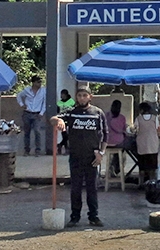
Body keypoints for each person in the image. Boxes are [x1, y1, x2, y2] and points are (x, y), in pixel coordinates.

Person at [51, 86, 108, 228]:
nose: (82, 98)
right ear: (76, 97)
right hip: (75, 156)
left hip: (92, 157)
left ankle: (93, 216)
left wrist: (101, 153)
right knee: (75, 188)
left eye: (84, 95)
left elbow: (105, 135)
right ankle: (75, 217)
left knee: (92, 188)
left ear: (90, 97)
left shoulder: (97, 113)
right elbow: (52, 118)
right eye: (79, 95)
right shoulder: (71, 113)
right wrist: (59, 121)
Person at [16, 75, 47, 156]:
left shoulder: (43, 91)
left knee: (37, 131)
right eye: (38, 82)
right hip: (27, 113)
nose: (39, 84)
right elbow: (19, 96)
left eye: (40, 82)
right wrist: (22, 104)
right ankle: (26, 150)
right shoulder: (27, 90)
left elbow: (45, 102)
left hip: (37, 114)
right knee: (27, 132)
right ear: (33, 83)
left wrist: (41, 113)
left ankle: (38, 150)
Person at [133, 102, 159, 187]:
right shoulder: (155, 118)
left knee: (142, 167)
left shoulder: (138, 119)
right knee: (153, 167)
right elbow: (157, 128)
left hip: (142, 145)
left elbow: (135, 129)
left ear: (141, 110)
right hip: (153, 145)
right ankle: (153, 183)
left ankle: (141, 183)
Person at [104, 99, 127, 176]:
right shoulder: (122, 118)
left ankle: (112, 166)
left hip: (106, 142)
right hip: (118, 143)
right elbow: (124, 129)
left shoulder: (106, 116)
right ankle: (117, 168)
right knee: (123, 149)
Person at [56, 90, 75, 154]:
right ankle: (66, 148)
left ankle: (60, 145)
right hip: (62, 119)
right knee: (64, 134)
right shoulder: (59, 103)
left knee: (69, 134)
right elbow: (57, 111)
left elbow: (74, 110)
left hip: (70, 119)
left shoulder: (71, 101)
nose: (62, 96)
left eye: (63, 95)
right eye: (61, 95)